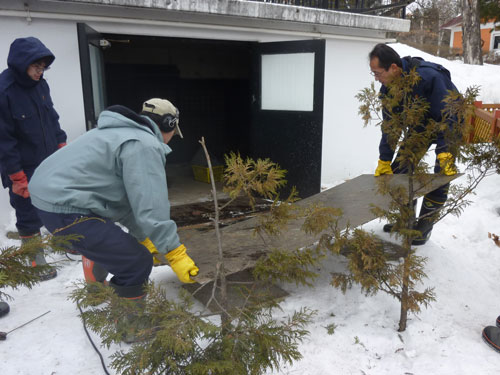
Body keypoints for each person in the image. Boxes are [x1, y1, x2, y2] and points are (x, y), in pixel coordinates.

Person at [28, 98, 198, 320]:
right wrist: (174, 253)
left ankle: (99, 289)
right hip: (64, 207)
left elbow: (122, 201)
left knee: (118, 244)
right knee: (136, 262)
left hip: (49, 198)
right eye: (173, 133)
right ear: (167, 125)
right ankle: (132, 327)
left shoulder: (114, 133)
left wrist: (144, 237)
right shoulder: (144, 145)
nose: (171, 139)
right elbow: (151, 207)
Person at [369, 43, 459, 245]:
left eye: (377, 72)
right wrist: (384, 159)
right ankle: (406, 222)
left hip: (450, 123)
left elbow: (448, 115)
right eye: (372, 73)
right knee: (400, 169)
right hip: (422, 126)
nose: (376, 78)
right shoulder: (389, 89)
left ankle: (424, 228)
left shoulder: (429, 77)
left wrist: (445, 152)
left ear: (394, 67)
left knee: (441, 176)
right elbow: (391, 127)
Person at [0, 37, 67, 280]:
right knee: (27, 210)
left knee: (58, 203)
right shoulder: (4, 91)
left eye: (44, 68)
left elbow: (52, 117)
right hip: (22, 165)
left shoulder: (41, 86)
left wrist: (62, 144)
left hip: (48, 159)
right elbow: (3, 140)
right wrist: (16, 176)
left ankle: (64, 242)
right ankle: (34, 260)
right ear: (21, 63)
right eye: (36, 67)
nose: (41, 72)